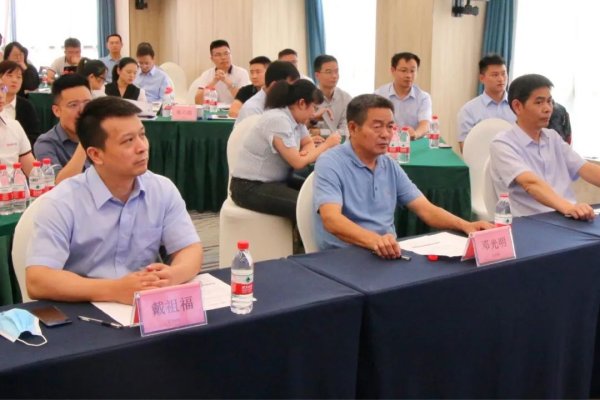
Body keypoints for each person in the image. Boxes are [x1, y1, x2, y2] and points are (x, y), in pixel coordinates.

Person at [25, 97, 203, 305]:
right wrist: (114, 290)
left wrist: (173, 275)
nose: (142, 147)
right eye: (128, 141)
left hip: (143, 305)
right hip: (85, 308)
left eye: (142, 135)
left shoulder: (161, 189)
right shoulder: (61, 202)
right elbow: (37, 280)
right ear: (96, 154)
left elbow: (190, 249)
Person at [313, 94, 492, 256]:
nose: (386, 134)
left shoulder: (389, 164)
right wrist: (375, 241)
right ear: (353, 128)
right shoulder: (330, 162)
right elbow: (332, 220)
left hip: (385, 253)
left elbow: (426, 209)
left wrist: (466, 225)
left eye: (390, 127)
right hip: (343, 256)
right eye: (377, 127)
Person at [490, 74, 600, 220]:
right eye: (539, 102)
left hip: (567, 217)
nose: (548, 109)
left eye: (549, 101)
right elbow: (531, 184)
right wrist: (569, 207)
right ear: (517, 106)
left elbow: (585, 168)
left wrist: (570, 209)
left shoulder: (552, 137)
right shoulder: (503, 143)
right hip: (533, 222)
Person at [231, 80, 341, 222]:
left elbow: (307, 143)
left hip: (276, 180)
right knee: (310, 206)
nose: (313, 114)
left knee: (324, 195)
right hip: (249, 187)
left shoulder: (296, 119)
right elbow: (298, 163)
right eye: (313, 108)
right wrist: (327, 145)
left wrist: (305, 154)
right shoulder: (278, 120)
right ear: (302, 103)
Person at [34, 74, 92, 184]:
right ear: (57, 111)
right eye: (73, 105)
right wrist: (85, 140)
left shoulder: (103, 135)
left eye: (87, 103)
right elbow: (58, 185)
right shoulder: (46, 143)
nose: (82, 111)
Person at [457, 54, 515, 152]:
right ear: (482, 78)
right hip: (482, 160)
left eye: (503, 74)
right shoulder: (469, 110)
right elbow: (465, 147)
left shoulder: (518, 106)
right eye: (495, 75)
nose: (501, 79)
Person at [374, 52, 431, 139]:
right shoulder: (379, 95)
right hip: (386, 140)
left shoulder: (423, 97)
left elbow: (425, 123)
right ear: (393, 70)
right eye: (404, 71)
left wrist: (416, 134)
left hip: (413, 142)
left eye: (412, 71)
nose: (408, 75)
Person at [235, 61, 299, 126]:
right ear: (274, 85)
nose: (293, 92)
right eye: (290, 88)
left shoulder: (288, 104)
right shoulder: (252, 109)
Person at [194, 40, 250, 105]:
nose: (223, 58)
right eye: (218, 55)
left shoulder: (242, 73)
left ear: (231, 55)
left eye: (226, 53)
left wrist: (226, 80)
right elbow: (198, 101)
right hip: (213, 109)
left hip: (235, 109)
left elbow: (244, 99)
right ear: (212, 59)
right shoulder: (206, 74)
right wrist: (213, 82)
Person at [310, 54, 352, 140]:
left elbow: (346, 130)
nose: (334, 76)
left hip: (340, 144)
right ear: (317, 75)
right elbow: (305, 130)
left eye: (336, 71)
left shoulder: (346, 98)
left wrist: (321, 132)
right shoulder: (309, 98)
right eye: (329, 72)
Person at [0, 61, 41, 147]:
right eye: (9, 75)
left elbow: (33, 137)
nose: (14, 80)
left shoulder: (27, 106)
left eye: (19, 77)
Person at [0, 83, 35, 175]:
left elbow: (34, 174)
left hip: (14, 183)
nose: (1, 95)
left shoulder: (14, 126)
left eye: (2, 88)